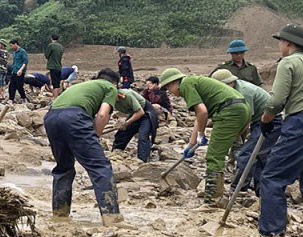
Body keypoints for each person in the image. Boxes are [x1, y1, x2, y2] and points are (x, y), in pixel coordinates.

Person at [245, 24, 303, 237]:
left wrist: (265, 120)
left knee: (273, 177)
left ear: (287, 43)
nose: (279, 45)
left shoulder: (288, 62)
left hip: (301, 123)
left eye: (280, 41)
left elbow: (276, 101)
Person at [43, 68, 125, 226]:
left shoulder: (83, 85)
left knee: (63, 168)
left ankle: (60, 215)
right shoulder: (110, 88)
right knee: (100, 167)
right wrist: (95, 136)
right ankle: (111, 218)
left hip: (51, 118)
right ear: (116, 84)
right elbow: (102, 115)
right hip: (75, 118)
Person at [159, 68, 250, 207]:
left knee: (214, 156)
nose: (170, 92)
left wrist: (201, 135)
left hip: (229, 111)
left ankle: (213, 201)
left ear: (174, 83)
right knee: (221, 152)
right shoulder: (195, 82)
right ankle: (222, 193)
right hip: (242, 110)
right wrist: (191, 143)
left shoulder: (186, 84)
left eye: (168, 88)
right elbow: (198, 116)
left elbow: (202, 113)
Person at [211, 69, 282, 195]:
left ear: (230, 83)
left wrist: (237, 138)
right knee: (260, 154)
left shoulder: (243, 93)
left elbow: (245, 119)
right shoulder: (233, 90)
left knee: (248, 154)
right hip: (260, 120)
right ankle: (260, 189)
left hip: (270, 121)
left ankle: (239, 188)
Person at [112, 88, 159, 163]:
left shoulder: (127, 95)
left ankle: (142, 161)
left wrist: (126, 123)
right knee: (122, 133)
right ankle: (116, 152)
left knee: (143, 136)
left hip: (146, 113)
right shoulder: (109, 101)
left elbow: (140, 112)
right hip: (134, 113)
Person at [8, 39, 28, 104]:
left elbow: (25, 61)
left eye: (12, 46)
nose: (11, 47)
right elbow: (14, 62)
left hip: (20, 72)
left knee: (19, 85)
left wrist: (21, 69)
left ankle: (24, 98)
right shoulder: (14, 52)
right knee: (11, 85)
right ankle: (11, 99)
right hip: (14, 71)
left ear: (16, 44)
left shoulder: (22, 51)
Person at [44, 34, 64, 99]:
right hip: (59, 66)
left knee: (54, 83)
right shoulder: (61, 46)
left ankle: (55, 98)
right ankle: (58, 96)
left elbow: (47, 55)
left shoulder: (51, 45)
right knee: (58, 83)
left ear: (51, 38)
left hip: (53, 66)